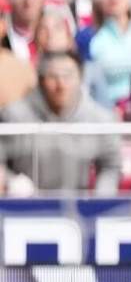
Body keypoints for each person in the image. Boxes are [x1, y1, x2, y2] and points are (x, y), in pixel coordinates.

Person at [1, 47, 118, 193]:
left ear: (80, 77)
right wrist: (11, 181)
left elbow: (111, 166)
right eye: (53, 77)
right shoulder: (13, 116)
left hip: (77, 207)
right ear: (41, 80)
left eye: (68, 76)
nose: (61, 85)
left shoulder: (100, 119)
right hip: (22, 208)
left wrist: (100, 199)